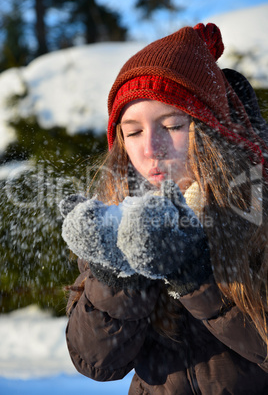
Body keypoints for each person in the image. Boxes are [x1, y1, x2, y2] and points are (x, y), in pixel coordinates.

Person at [60, 23, 268, 394]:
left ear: (210, 130)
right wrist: (115, 273)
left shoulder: (256, 211)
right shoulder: (120, 212)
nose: (150, 148)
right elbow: (97, 363)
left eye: (172, 125)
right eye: (133, 131)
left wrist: (195, 276)